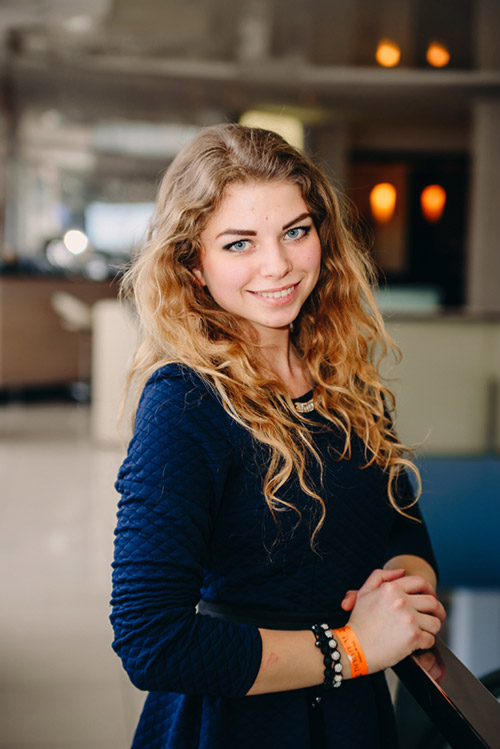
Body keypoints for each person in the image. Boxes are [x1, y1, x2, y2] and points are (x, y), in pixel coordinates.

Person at [110, 123, 445, 749]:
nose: (280, 264)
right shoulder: (185, 404)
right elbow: (150, 641)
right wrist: (351, 647)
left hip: (355, 718)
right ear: (195, 265)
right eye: (240, 244)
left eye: (295, 231)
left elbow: (401, 527)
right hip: (236, 722)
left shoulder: (347, 382)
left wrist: (404, 594)